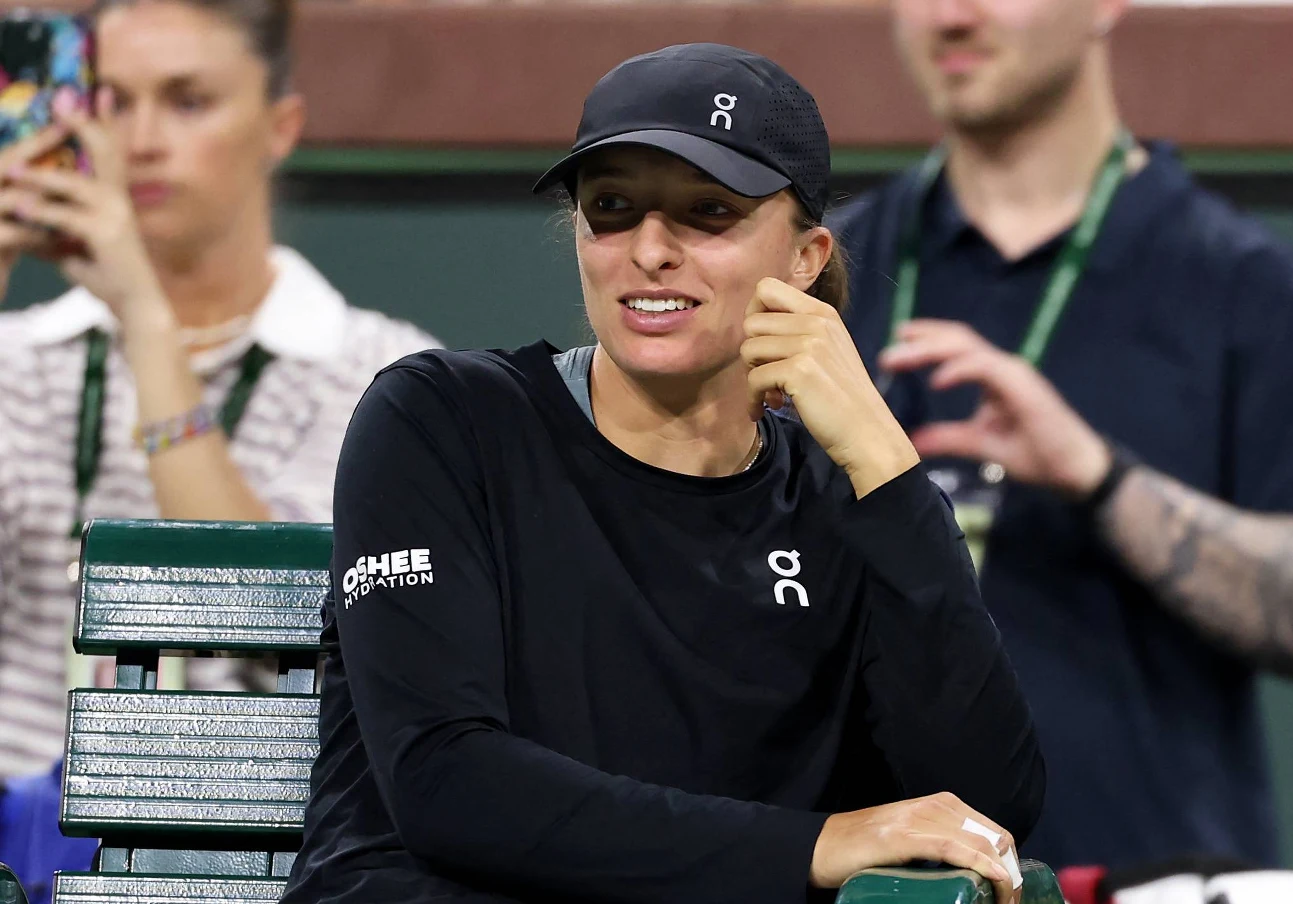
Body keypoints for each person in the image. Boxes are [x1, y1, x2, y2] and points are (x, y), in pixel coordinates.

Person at [283, 43, 1045, 904]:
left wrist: (885, 461)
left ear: (806, 257)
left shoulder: (847, 504)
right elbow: (445, 782)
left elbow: (985, 805)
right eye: (611, 208)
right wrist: (813, 845)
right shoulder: (441, 420)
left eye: (707, 213)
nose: (650, 250)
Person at [832, 0, 1293, 874]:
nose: (950, 16)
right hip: (871, 883)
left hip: (1145, 876)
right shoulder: (827, 274)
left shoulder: (1250, 289)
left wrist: (1099, 477)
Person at [0, 0, 437, 780]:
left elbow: (279, 622)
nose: (140, 143)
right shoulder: (19, 354)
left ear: (281, 127)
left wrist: (143, 314)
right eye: (111, 103)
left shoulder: (385, 375)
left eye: (187, 102)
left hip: (238, 846)